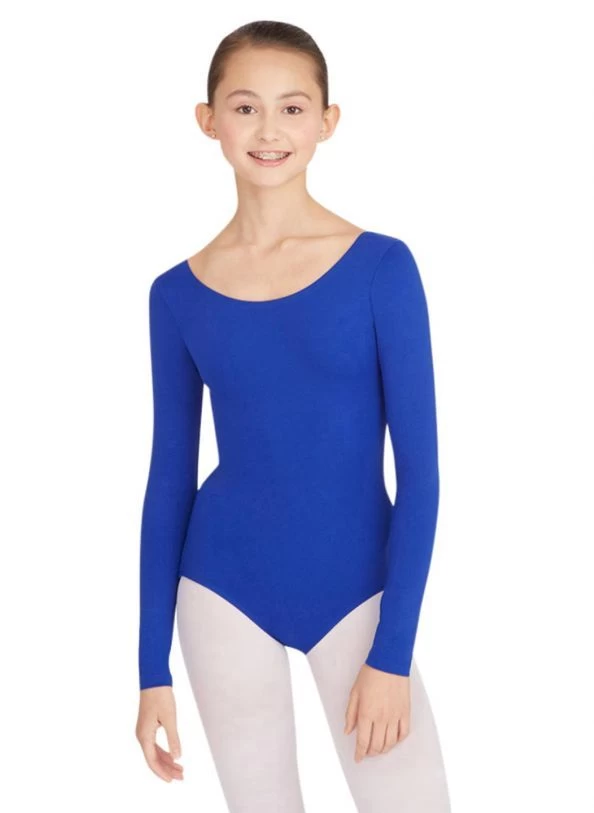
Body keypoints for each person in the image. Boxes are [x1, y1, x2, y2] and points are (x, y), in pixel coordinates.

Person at [134, 19, 452, 813]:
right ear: (208, 120)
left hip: (358, 588)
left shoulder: (382, 268)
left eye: (293, 108)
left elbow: (421, 476)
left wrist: (393, 652)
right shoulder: (176, 294)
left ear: (327, 121)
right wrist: (150, 668)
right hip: (221, 588)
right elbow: (169, 478)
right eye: (245, 107)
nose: (269, 130)